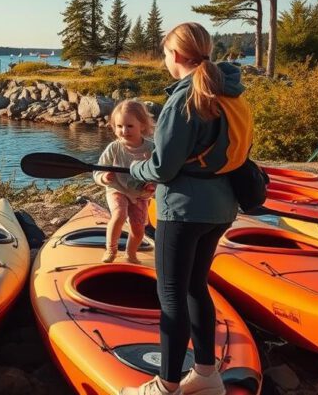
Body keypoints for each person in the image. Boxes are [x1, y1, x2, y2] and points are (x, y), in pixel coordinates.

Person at [120, 22, 250, 395]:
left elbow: (162, 167)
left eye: (164, 54)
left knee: (172, 294)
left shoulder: (185, 98)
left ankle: (167, 386)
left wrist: (136, 169)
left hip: (184, 210)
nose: (165, 60)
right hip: (221, 208)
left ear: (175, 55)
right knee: (196, 287)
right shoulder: (229, 91)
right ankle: (207, 375)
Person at [92, 100, 156, 264]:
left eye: (129, 126)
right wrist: (103, 178)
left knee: (138, 228)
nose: (124, 131)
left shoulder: (151, 149)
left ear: (142, 125)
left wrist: (153, 185)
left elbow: (159, 171)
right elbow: (98, 170)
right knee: (119, 214)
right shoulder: (114, 148)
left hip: (141, 194)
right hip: (117, 188)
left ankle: (131, 253)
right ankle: (111, 249)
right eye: (119, 126)